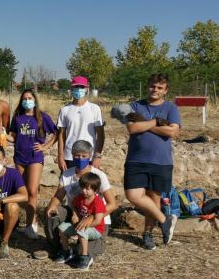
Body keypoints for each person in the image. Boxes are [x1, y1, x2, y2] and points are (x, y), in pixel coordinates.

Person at [124, 73, 180, 249]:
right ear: (147, 86)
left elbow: (172, 132)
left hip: (161, 161)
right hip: (136, 159)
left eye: (160, 88)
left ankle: (148, 234)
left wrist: (147, 124)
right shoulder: (134, 106)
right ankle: (165, 220)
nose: (155, 90)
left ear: (165, 90)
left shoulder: (171, 108)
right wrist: (157, 122)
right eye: (152, 86)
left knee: (153, 198)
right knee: (133, 195)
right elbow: (132, 128)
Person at [45, 140, 118, 260]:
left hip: (97, 219)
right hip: (75, 212)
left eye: (84, 156)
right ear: (72, 156)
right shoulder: (67, 174)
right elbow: (58, 196)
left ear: (90, 156)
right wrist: (52, 206)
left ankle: (93, 243)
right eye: (77, 155)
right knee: (53, 212)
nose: (80, 158)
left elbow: (113, 204)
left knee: (82, 252)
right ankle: (57, 248)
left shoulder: (98, 175)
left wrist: (92, 217)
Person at [6, 89, 57, 239]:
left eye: (30, 98)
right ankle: (30, 221)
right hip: (19, 157)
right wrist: (2, 135)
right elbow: (14, 137)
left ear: (35, 100)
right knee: (24, 192)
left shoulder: (42, 117)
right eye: (24, 98)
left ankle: (30, 226)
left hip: (35, 157)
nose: (27, 100)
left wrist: (45, 146)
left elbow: (56, 132)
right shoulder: (17, 118)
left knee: (33, 191)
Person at [54, 173, 106, 270]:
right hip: (79, 226)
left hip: (96, 229)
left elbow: (98, 220)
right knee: (62, 228)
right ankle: (66, 251)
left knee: (82, 231)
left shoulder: (98, 202)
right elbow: (73, 205)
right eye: (82, 188)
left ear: (95, 189)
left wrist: (86, 225)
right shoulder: (79, 198)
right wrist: (75, 214)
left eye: (87, 189)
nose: (84, 191)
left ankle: (85, 257)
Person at [57, 76, 105, 171]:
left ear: (87, 88)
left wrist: (97, 156)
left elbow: (101, 135)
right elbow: (61, 135)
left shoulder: (95, 109)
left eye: (82, 87)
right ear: (71, 88)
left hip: (88, 157)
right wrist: (60, 157)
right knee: (67, 185)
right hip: (69, 157)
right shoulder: (64, 110)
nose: (79, 89)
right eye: (76, 86)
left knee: (88, 185)